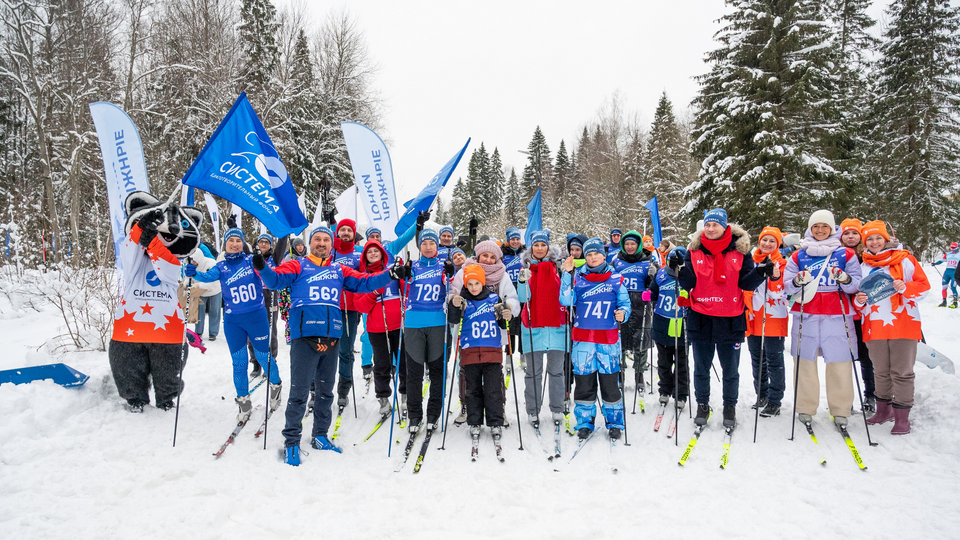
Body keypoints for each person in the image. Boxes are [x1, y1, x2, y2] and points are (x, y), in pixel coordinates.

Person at [257, 225, 405, 466]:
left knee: (326, 391)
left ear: (332, 244)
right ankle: (292, 441)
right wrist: (262, 267)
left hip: (332, 336)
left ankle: (319, 435)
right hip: (305, 336)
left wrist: (390, 275)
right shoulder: (298, 265)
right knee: (299, 392)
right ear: (311, 243)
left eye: (326, 240)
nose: (322, 243)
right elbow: (275, 281)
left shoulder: (340, 269)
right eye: (317, 240)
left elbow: (365, 282)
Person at [677, 208, 767, 429]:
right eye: (707, 225)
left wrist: (760, 272)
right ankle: (702, 404)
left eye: (715, 225)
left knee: (730, 369)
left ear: (725, 226)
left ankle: (729, 406)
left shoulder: (740, 251)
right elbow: (688, 283)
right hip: (701, 317)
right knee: (701, 367)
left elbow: (746, 283)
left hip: (730, 317)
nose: (710, 229)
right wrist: (678, 268)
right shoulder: (694, 250)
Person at [185, 228, 283, 422]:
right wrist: (194, 272)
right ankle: (244, 402)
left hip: (256, 317)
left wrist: (261, 265)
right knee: (239, 363)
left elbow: (270, 278)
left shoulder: (251, 261)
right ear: (225, 245)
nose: (235, 244)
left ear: (244, 243)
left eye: (239, 240)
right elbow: (207, 278)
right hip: (232, 321)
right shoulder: (221, 267)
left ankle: (276, 386)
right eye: (231, 241)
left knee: (265, 358)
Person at [782, 209, 862, 429]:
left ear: (832, 228)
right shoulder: (799, 255)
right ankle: (805, 408)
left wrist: (845, 279)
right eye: (815, 226)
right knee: (805, 362)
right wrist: (797, 280)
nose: (820, 230)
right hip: (806, 313)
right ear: (810, 228)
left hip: (837, 315)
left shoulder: (846, 254)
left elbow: (856, 284)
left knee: (839, 363)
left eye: (824, 226)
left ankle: (841, 409)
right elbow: (786, 284)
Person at [855, 221, 930, 435]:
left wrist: (905, 287)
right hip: (874, 325)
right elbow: (858, 303)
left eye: (878, 238)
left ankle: (902, 417)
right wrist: (859, 300)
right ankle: (883, 411)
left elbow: (924, 288)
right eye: (869, 239)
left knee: (902, 372)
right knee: (880, 371)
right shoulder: (863, 266)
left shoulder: (905, 260)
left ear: (886, 239)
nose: (874, 242)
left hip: (904, 324)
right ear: (864, 243)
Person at [560, 237, 631, 440]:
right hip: (583, 340)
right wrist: (566, 273)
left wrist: (623, 313)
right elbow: (565, 299)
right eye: (589, 254)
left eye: (596, 254)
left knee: (610, 384)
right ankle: (584, 422)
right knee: (584, 383)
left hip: (607, 340)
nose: (592, 258)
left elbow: (624, 303)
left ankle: (615, 422)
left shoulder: (616, 279)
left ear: (603, 255)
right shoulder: (577, 278)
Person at [450, 240, 521, 425]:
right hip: (468, 334)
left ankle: (499, 408)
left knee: (494, 376)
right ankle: (466, 406)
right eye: (485, 256)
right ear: (478, 255)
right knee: (466, 372)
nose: (489, 260)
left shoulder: (502, 274)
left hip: (493, 333)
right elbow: (452, 294)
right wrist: (453, 301)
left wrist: (509, 308)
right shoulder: (464, 270)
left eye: (492, 257)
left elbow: (512, 298)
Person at [447, 265, 512, 446]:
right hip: (469, 351)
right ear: (465, 285)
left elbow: (503, 323)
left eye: (477, 283)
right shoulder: (463, 300)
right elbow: (452, 320)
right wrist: (454, 304)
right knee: (472, 390)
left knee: (493, 390)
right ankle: (474, 421)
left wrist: (507, 315)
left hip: (492, 351)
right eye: (470, 283)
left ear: (483, 282)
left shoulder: (493, 298)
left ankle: (495, 422)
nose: (474, 287)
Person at [403, 228, 457, 433]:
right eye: (424, 243)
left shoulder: (444, 267)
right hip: (413, 323)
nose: (427, 247)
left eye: (431, 243)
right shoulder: (413, 266)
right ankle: (415, 415)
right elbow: (401, 287)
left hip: (437, 323)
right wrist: (402, 275)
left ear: (437, 247)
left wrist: (451, 275)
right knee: (414, 373)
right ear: (419, 246)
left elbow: (452, 289)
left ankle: (434, 413)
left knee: (437, 372)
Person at [516, 230, 568, 428]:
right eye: (536, 245)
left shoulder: (558, 268)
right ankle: (533, 410)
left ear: (548, 248)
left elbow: (566, 292)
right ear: (531, 248)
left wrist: (568, 274)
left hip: (557, 327)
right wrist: (522, 281)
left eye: (542, 245)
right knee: (533, 373)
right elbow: (523, 299)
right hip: (533, 327)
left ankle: (556, 408)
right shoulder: (526, 269)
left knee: (556, 372)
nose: (539, 249)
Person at [354, 240, 406, 417]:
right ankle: (383, 399)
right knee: (382, 365)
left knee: (403, 363)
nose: (373, 254)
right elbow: (360, 306)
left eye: (377, 251)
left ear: (382, 254)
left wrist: (404, 276)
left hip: (398, 325)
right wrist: (375, 292)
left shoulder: (392, 271)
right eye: (370, 252)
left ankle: (406, 396)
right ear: (365, 256)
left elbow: (406, 292)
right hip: (377, 328)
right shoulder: (361, 277)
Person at [744, 226, 788, 418]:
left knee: (774, 360)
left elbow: (788, 286)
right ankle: (761, 394)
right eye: (765, 240)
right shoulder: (752, 262)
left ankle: (774, 400)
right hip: (753, 317)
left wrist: (776, 277)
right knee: (757, 359)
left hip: (773, 317)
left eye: (772, 241)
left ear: (777, 244)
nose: (767, 244)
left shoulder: (784, 263)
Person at [613, 230, 658, 384]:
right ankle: (621, 370)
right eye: (627, 244)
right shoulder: (617, 261)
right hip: (621, 303)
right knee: (621, 338)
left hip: (641, 305)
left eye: (633, 244)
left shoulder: (648, 261)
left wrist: (653, 275)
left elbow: (654, 286)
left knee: (641, 339)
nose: (630, 247)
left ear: (638, 245)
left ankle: (639, 372)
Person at [840, 218, 876, 412]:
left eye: (855, 233)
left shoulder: (868, 256)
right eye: (847, 233)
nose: (851, 237)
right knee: (845, 358)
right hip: (843, 313)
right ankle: (845, 399)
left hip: (865, 314)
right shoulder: (838, 255)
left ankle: (871, 395)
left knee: (866, 357)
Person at [649, 247, 691, 408]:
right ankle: (664, 390)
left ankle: (681, 394)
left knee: (681, 362)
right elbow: (654, 291)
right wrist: (649, 295)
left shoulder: (688, 277)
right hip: (663, 323)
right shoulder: (661, 274)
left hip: (682, 325)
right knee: (664, 362)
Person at [332, 219, 364, 409]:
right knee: (323, 349)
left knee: (345, 351)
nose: (345, 233)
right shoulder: (331, 252)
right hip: (328, 306)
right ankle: (316, 386)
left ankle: (344, 388)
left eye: (348, 230)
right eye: (341, 230)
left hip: (350, 309)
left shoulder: (358, 254)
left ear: (353, 234)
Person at [501, 228, 525, 361]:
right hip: (509, 291)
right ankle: (509, 354)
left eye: (517, 239)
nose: (515, 242)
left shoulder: (525, 253)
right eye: (512, 239)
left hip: (522, 290)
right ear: (508, 241)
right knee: (509, 322)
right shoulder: (503, 254)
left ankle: (523, 354)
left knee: (522, 323)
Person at [191, 242, 222, 342]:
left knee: (214, 311)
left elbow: (212, 282)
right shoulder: (190, 265)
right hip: (200, 291)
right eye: (192, 261)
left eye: (195, 261)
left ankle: (213, 332)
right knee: (199, 310)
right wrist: (187, 284)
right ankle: (198, 331)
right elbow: (187, 278)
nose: (193, 263)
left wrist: (197, 286)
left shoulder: (211, 263)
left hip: (215, 290)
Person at [932, 241, 960, 308]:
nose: (952, 249)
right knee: (944, 286)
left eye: (953, 248)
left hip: (955, 272)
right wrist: (935, 263)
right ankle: (944, 302)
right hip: (947, 272)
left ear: (957, 247)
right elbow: (942, 260)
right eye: (951, 247)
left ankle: (955, 302)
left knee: (953, 287)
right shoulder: (948, 254)